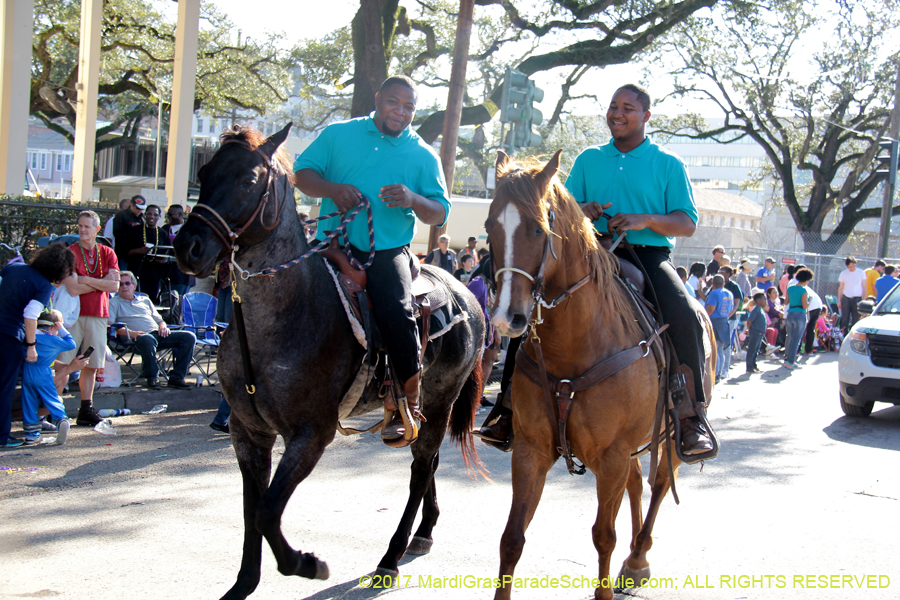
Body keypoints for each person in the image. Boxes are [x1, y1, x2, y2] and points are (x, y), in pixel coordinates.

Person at [294, 74, 451, 447]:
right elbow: (302, 175)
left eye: (409, 106)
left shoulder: (423, 155)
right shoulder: (338, 135)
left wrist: (413, 199)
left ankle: (405, 403)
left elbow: (439, 212)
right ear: (378, 98)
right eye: (394, 102)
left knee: (397, 311)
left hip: (386, 250)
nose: (401, 112)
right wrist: (333, 190)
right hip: (331, 242)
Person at [564, 83, 714, 456]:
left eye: (627, 108)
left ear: (646, 116)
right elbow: (563, 209)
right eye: (613, 106)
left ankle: (690, 416)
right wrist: (582, 210)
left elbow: (686, 222)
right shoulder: (588, 159)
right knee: (536, 296)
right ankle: (508, 404)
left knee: (684, 314)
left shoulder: (668, 163)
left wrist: (644, 219)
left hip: (647, 256)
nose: (617, 113)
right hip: (590, 250)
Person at [0, 244, 75, 448]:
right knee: (4, 388)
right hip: (9, 336)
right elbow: (30, 315)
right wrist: (31, 344)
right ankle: (2, 436)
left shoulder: (13, 268)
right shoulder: (44, 286)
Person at [58, 210, 121, 427]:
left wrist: (84, 279)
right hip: (71, 317)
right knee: (63, 363)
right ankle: (53, 410)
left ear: (97, 229)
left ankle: (86, 408)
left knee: (91, 365)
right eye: (80, 226)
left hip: (98, 315)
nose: (82, 230)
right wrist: (98, 281)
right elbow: (73, 289)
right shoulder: (70, 252)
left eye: (87, 226)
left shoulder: (107, 252)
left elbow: (114, 285)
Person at [108, 271, 195, 390]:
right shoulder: (114, 302)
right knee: (147, 339)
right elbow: (111, 326)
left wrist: (163, 327)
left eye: (127, 283)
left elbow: (159, 319)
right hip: (135, 337)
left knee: (189, 336)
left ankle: (177, 378)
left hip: (157, 333)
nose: (124, 286)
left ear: (134, 285)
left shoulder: (144, 299)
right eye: (121, 284)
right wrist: (132, 333)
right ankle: (152, 377)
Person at [21, 309, 85, 445]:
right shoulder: (53, 339)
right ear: (55, 325)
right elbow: (71, 343)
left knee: (28, 401)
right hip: (43, 372)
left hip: (27, 371)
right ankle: (61, 419)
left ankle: (31, 434)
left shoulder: (29, 337)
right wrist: (62, 330)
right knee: (51, 398)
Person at [161, 204, 195, 298]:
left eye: (171, 214)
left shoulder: (189, 229)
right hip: (166, 273)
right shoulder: (164, 229)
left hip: (182, 274)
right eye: (168, 214)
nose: (169, 217)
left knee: (178, 303)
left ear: (180, 214)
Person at [133, 204, 165, 304]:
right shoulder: (134, 231)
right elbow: (126, 252)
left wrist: (162, 260)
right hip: (138, 273)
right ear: (145, 215)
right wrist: (140, 250)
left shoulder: (163, 233)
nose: (152, 217)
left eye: (155, 215)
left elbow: (166, 255)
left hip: (155, 276)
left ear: (159, 217)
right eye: (149, 214)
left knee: (152, 304)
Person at [705, 274, 734, 382]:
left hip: (715, 322)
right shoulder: (729, 293)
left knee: (714, 348)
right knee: (720, 349)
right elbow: (730, 309)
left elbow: (711, 309)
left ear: (713, 284)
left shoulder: (714, 293)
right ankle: (720, 372)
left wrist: (704, 319)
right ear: (723, 283)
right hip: (724, 321)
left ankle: (715, 373)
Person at [784, 268, 813, 369]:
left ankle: (788, 359)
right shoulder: (804, 290)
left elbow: (786, 302)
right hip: (800, 314)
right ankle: (791, 361)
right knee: (797, 339)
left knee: (791, 338)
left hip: (790, 314)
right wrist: (809, 300)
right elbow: (805, 306)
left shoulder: (790, 288)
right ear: (806, 279)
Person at [720, 265, 743, 372]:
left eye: (722, 271)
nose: (720, 272)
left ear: (728, 274)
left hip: (730, 318)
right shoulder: (716, 284)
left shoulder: (733, 286)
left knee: (726, 344)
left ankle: (725, 369)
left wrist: (729, 315)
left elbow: (736, 303)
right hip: (718, 319)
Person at [112, 195, 146, 268]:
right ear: (131, 204)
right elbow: (117, 233)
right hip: (123, 253)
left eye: (141, 209)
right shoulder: (121, 215)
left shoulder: (141, 218)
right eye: (137, 208)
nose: (139, 211)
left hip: (137, 254)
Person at [838, 256, 865, 334]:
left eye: (853, 266)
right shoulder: (843, 273)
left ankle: (854, 334)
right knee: (845, 318)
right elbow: (841, 287)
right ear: (847, 266)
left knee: (856, 318)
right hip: (846, 298)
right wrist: (839, 299)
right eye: (850, 267)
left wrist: (863, 299)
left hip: (857, 298)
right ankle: (843, 334)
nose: (852, 268)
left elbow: (864, 286)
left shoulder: (861, 273)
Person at [745, 292, 768, 374]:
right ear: (758, 300)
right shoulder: (755, 310)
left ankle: (754, 365)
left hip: (760, 333)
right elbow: (750, 321)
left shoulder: (760, 309)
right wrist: (750, 330)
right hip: (755, 333)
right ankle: (749, 367)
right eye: (764, 299)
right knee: (752, 350)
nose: (765, 301)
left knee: (756, 350)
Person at [803, 283, 824, 355]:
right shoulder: (806, 286)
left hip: (810, 307)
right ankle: (809, 350)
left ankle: (797, 350)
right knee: (811, 329)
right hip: (818, 306)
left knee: (802, 329)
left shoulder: (798, 285)